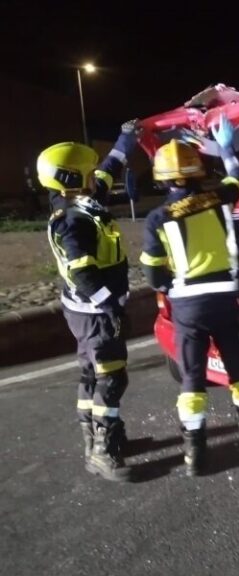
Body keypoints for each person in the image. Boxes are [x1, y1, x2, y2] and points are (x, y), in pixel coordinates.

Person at [139, 115, 239, 477]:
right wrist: (225, 147)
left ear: (162, 179)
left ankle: (195, 453)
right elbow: (237, 177)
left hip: (189, 306)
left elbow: (152, 272)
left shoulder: (157, 218)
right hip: (226, 298)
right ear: (196, 171)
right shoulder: (220, 198)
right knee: (237, 367)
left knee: (193, 377)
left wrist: (169, 287)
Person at [38, 119, 139, 482]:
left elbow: (110, 169)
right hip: (96, 312)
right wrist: (111, 307)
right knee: (111, 379)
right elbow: (83, 274)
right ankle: (102, 451)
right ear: (70, 178)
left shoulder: (80, 200)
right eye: (86, 171)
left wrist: (126, 140)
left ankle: (92, 436)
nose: (94, 174)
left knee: (90, 373)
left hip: (81, 311)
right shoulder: (72, 220)